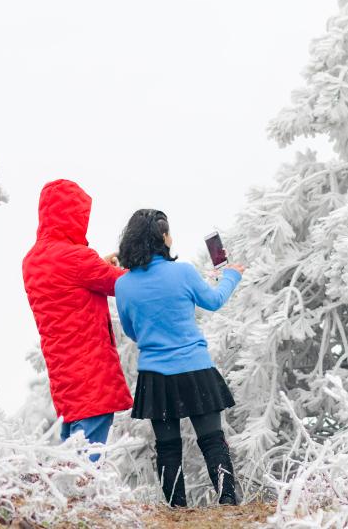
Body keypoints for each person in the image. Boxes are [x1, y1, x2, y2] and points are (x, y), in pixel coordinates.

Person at [114, 209, 244, 507]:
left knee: (168, 448)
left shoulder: (123, 285)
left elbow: (133, 331)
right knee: (212, 440)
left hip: (155, 376)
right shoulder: (183, 272)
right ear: (162, 237)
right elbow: (214, 301)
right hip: (195, 368)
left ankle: (176, 509)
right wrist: (232, 274)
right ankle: (227, 501)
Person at [21, 179, 133, 461]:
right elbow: (124, 285)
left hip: (64, 376)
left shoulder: (32, 260)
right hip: (90, 370)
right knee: (88, 459)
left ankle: (70, 501)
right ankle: (83, 502)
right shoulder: (77, 258)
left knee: (71, 451)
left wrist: (98, 264)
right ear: (72, 216)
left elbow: (71, 284)